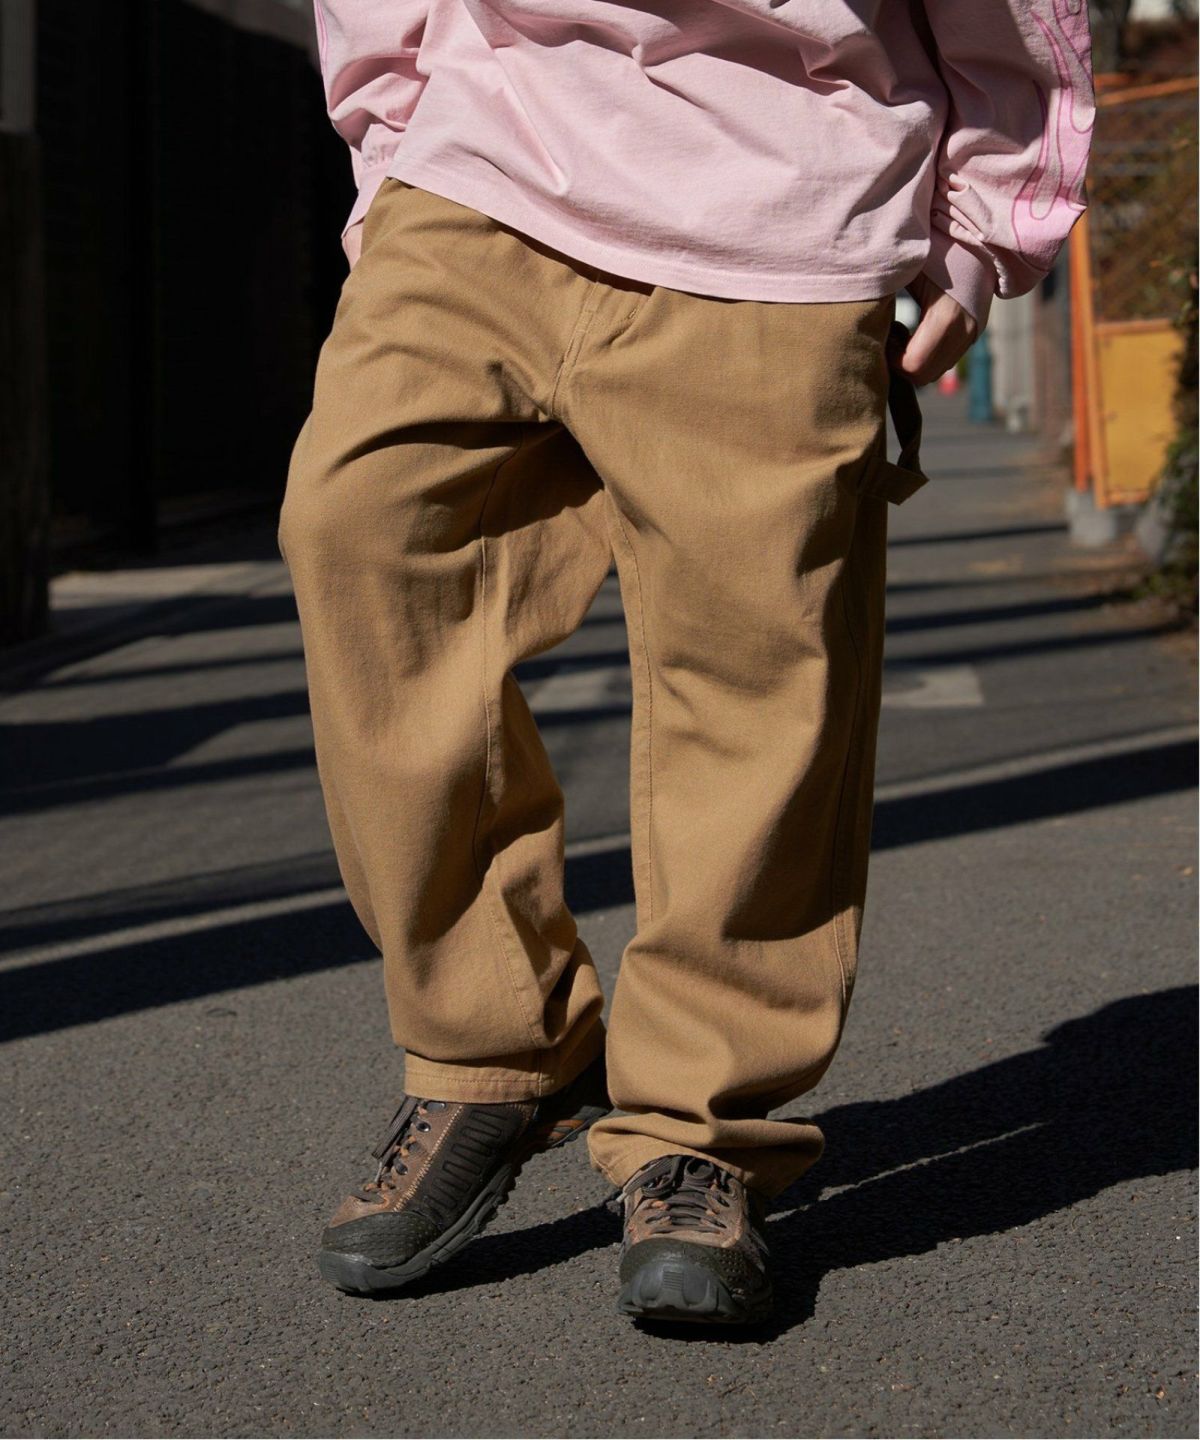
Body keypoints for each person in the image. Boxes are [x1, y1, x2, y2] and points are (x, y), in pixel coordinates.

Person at [279, 0, 1094, 1325]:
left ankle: (698, 1129)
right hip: (478, 172)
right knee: (360, 534)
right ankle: (496, 1049)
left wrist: (982, 234)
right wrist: (391, 146)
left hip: (781, 209)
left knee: (756, 680)